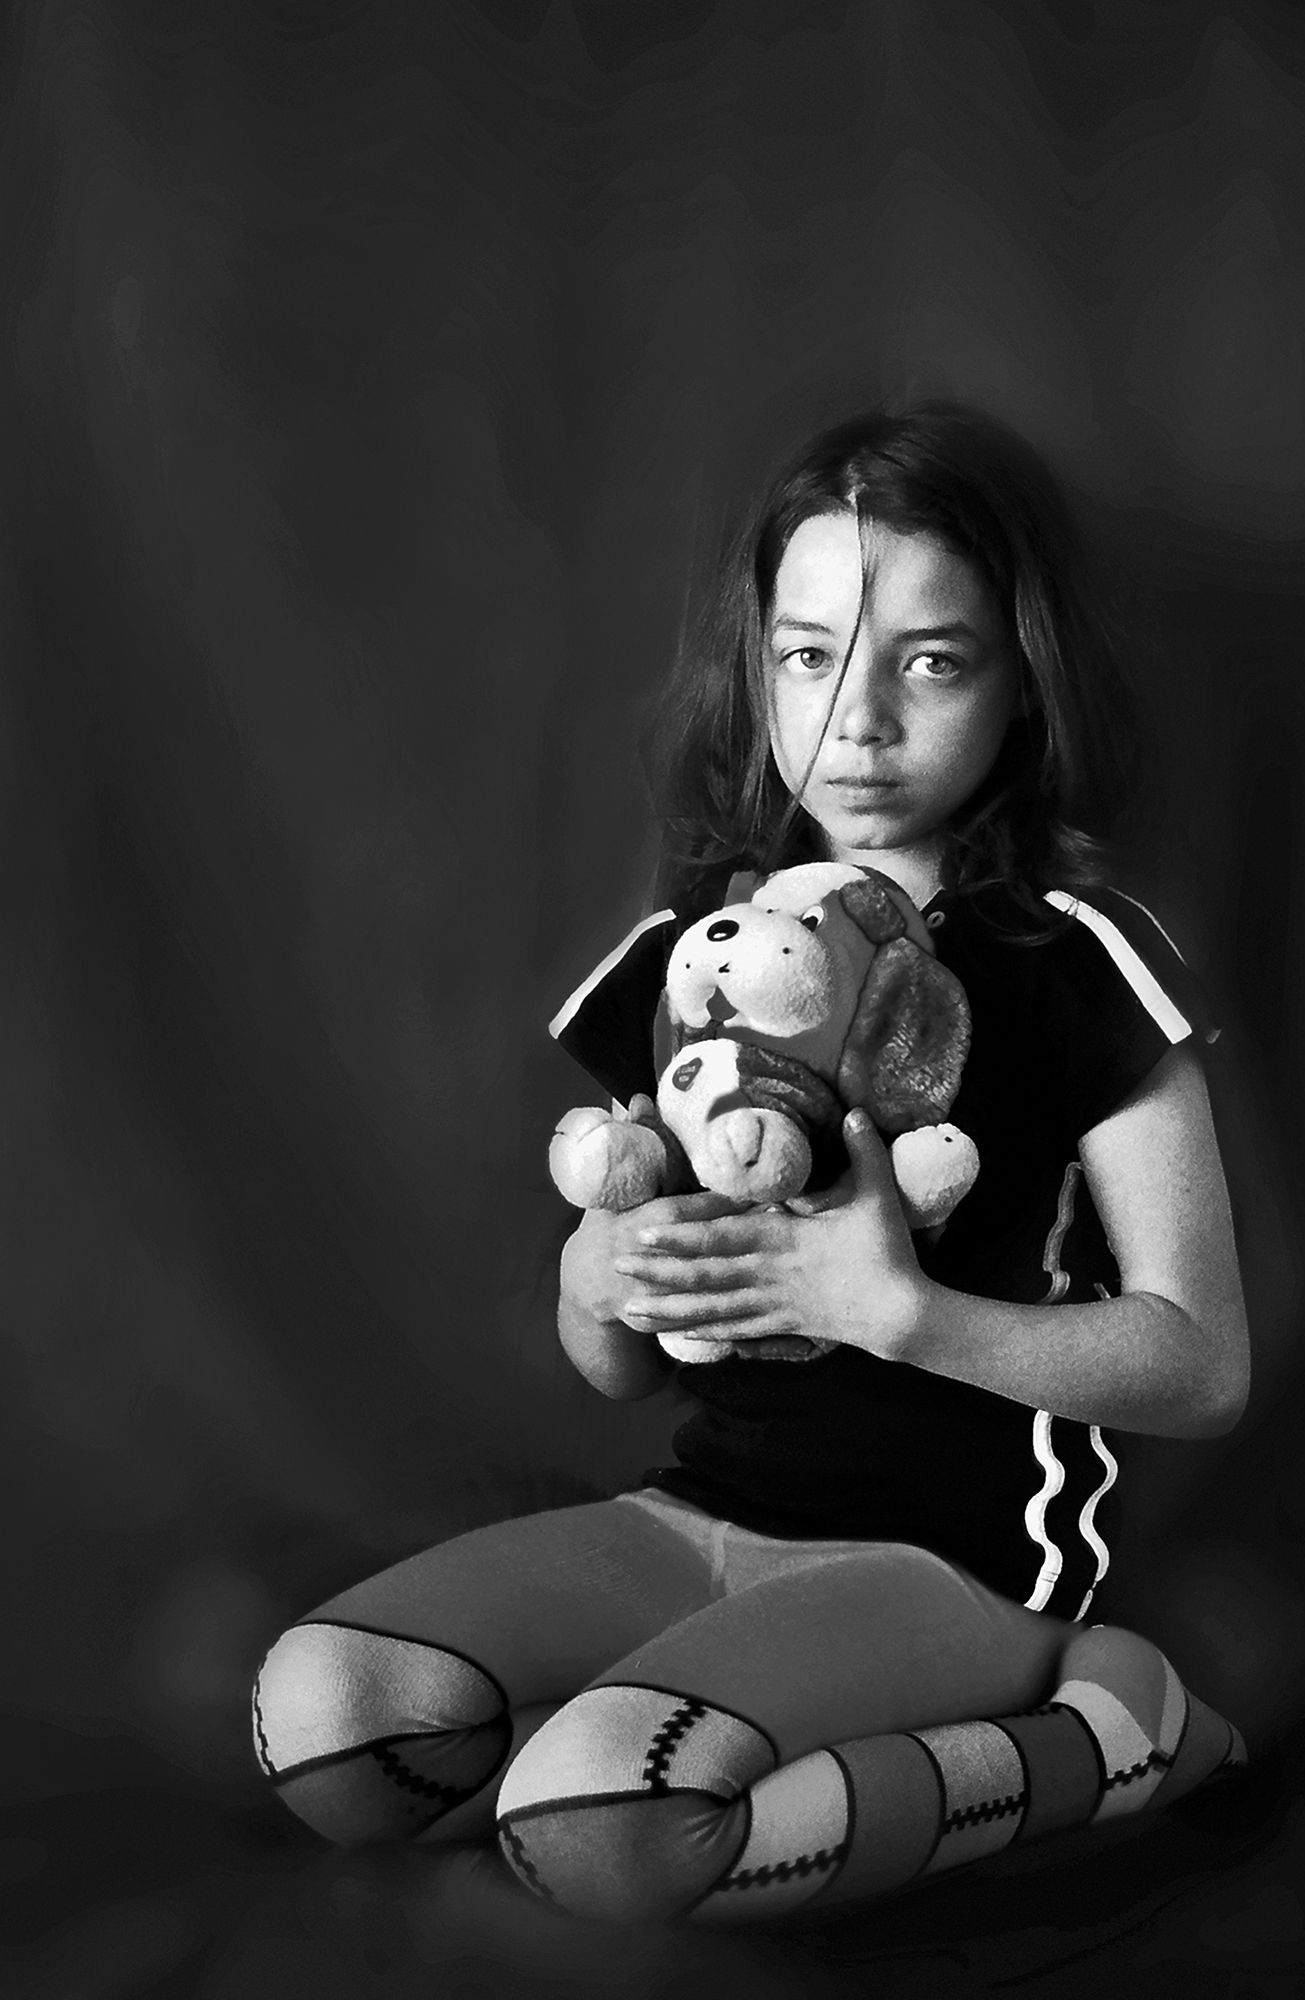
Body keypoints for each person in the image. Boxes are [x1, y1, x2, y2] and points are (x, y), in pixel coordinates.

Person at [251, 405, 1250, 1926]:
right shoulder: (702, 952)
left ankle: (1117, 1730)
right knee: (328, 1721)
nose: (859, 721)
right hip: (696, 1519)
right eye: (808, 655)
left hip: (952, 1567)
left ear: (1021, 679)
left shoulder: (1078, 959)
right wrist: (600, 1281)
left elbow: (1202, 1365)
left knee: (612, 1833)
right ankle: (621, 1766)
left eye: (932, 661)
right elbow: (621, 1373)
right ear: (759, 668)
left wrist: (901, 1313)